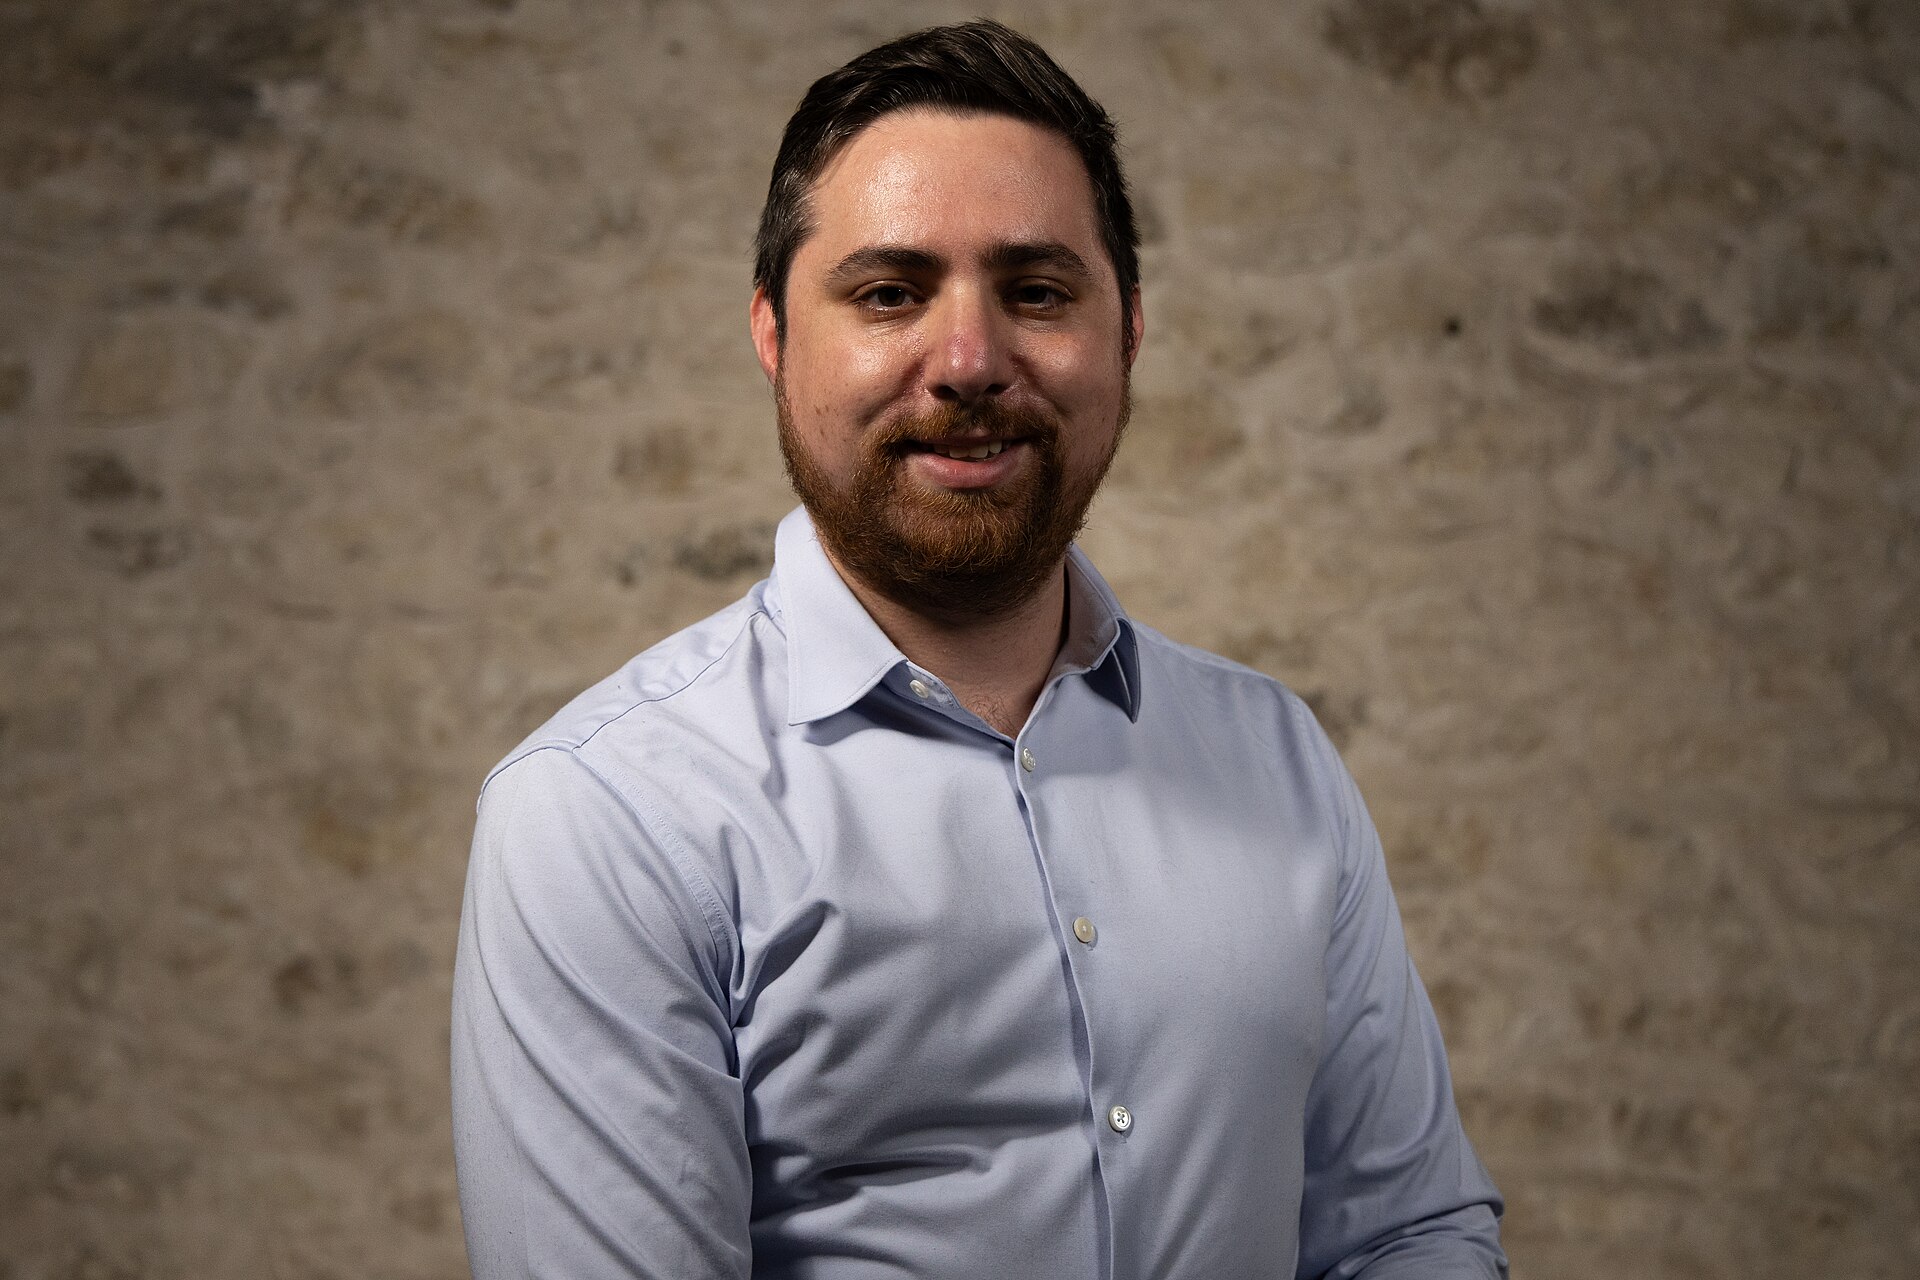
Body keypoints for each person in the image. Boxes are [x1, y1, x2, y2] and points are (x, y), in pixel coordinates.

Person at [451, 19, 1506, 1279]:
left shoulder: (1276, 755)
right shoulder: (605, 816)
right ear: (774, 336)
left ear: (1128, 333)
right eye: (890, 293)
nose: (968, 362)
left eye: (1038, 291)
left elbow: (1408, 1232)